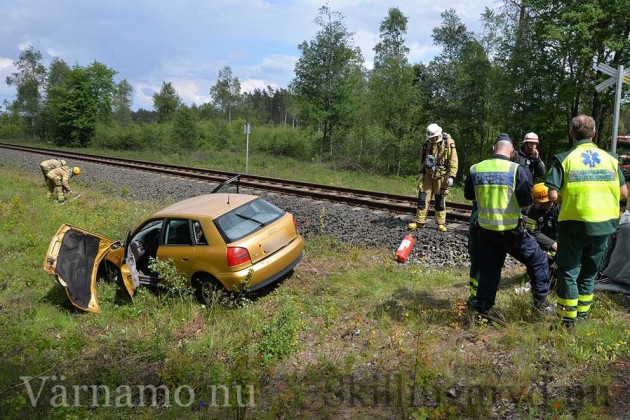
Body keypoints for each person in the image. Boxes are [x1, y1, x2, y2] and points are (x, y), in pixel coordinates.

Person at [545, 115, 628, 325]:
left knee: (569, 271)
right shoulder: (610, 159)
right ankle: (582, 316)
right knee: (589, 273)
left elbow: (552, 196)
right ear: (594, 133)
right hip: (604, 225)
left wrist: (567, 198)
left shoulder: (564, 159)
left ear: (571, 134)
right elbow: (624, 193)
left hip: (573, 223)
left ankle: (567, 320)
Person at [464, 133, 552, 317]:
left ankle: (483, 310)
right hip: (512, 232)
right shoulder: (515, 170)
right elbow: (525, 202)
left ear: (492, 149)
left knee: (489, 270)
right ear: (511, 151)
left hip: (486, 231)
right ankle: (540, 304)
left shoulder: (475, 169)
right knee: (538, 260)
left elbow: (469, 196)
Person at [413, 123, 458, 232]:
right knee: (423, 198)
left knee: (440, 200)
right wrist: (420, 172)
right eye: (430, 137)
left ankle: (440, 223)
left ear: (438, 134)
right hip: (428, 175)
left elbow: (454, 160)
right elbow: (422, 159)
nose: (431, 139)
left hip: (441, 177)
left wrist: (451, 176)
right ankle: (420, 222)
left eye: (433, 137)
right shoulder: (427, 143)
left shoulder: (448, 143)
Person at [525, 183, 559, 254]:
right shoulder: (534, 210)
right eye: (535, 201)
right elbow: (531, 230)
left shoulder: (561, 208)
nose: (535, 205)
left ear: (549, 201)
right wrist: (551, 244)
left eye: (538, 202)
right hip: (545, 247)